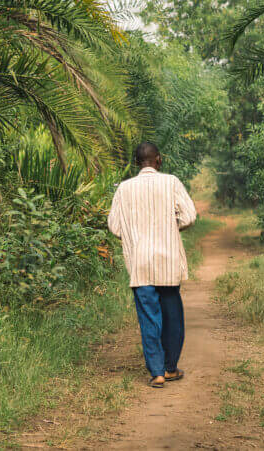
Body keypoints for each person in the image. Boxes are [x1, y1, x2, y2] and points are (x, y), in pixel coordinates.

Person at [107, 142, 197, 388]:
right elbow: (189, 216)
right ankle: (170, 368)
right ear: (158, 159)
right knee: (172, 318)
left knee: (149, 318)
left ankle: (156, 372)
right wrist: (170, 226)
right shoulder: (171, 182)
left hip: (141, 264)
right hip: (168, 262)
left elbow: (115, 226)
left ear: (137, 162)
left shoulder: (124, 189)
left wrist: (135, 234)